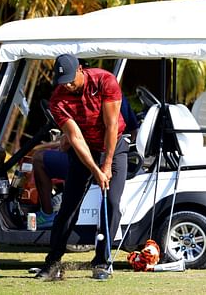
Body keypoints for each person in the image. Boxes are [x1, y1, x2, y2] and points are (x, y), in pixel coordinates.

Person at [35, 54, 128, 281]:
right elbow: (75, 138)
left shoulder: (105, 81)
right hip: (84, 149)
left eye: (70, 79)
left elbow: (111, 125)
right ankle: (53, 264)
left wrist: (106, 164)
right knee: (69, 206)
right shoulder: (58, 99)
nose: (67, 84)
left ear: (80, 69)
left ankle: (102, 262)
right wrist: (95, 170)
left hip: (114, 146)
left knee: (112, 202)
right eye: (62, 81)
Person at [33, 96, 138, 229]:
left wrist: (62, 142)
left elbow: (68, 143)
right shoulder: (120, 98)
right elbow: (133, 132)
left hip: (91, 162)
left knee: (38, 159)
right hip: (115, 158)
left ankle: (47, 214)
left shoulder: (86, 102)